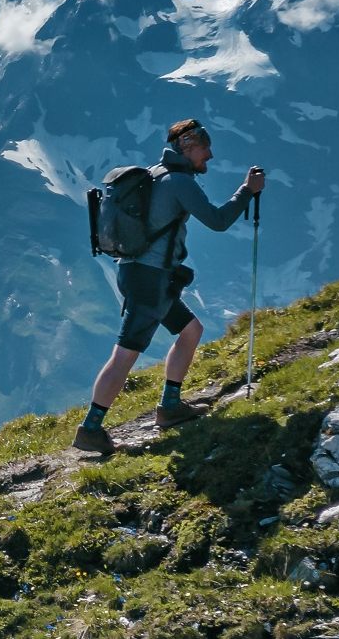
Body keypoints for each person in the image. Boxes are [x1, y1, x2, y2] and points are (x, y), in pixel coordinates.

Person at [73, 119, 265, 454]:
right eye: (205, 147)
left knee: (191, 330)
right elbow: (218, 221)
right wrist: (247, 191)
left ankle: (170, 407)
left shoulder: (154, 174)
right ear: (188, 146)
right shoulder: (179, 182)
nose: (211, 155)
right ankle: (90, 429)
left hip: (134, 271)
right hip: (151, 279)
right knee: (124, 355)